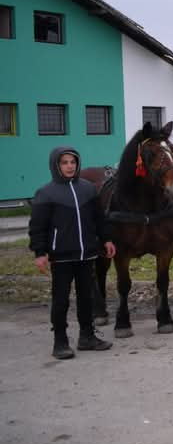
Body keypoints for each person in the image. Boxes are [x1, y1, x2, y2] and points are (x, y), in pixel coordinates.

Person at [28, 146, 116, 359]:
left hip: (87, 254)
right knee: (61, 300)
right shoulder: (46, 193)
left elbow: (99, 219)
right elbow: (37, 227)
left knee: (87, 298)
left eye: (73, 162)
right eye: (64, 162)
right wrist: (40, 252)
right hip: (61, 257)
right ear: (55, 165)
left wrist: (106, 239)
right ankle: (60, 341)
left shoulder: (88, 189)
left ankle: (87, 337)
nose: (69, 166)